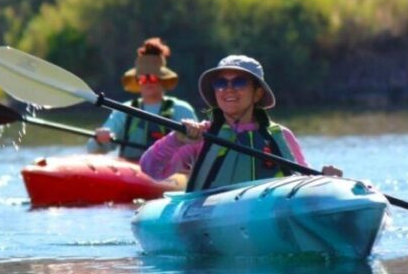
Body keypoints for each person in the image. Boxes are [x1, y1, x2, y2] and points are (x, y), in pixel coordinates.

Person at [140, 54, 342, 191]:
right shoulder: (201, 137)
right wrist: (176, 139)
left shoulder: (281, 136)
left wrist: (325, 181)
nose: (229, 89)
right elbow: (151, 169)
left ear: (258, 93)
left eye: (239, 82)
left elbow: (303, 184)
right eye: (221, 83)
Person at [87, 37, 197, 161]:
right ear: (138, 81)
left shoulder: (182, 110)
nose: (148, 82)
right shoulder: (124, 110)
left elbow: (197, 150)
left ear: (162, 79)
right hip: (131, 174)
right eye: (143, 78)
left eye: (153, 78)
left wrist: (192, 135)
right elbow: (91, 149)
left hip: (169, 174)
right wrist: (100, 140)